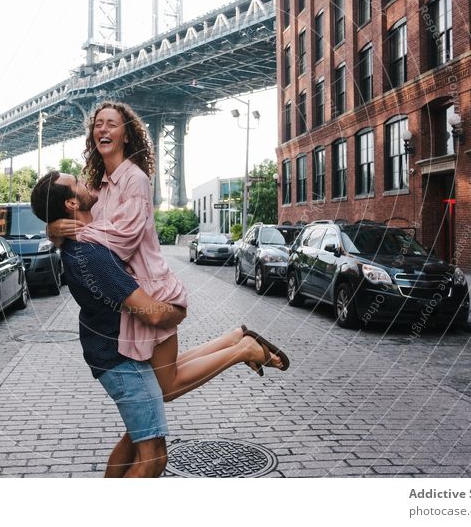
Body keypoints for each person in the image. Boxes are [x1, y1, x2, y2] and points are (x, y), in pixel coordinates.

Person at [31, 171, 290, 477]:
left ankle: (236, 342)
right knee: (152, 457)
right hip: (119, 359)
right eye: (77, 182)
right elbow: (151, 313)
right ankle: (242, 348)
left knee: (137, 434)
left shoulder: (90, 230)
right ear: (73, 202)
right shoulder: (90, 255)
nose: (85, 181)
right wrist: (177, 312)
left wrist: (53, 227)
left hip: (118, 347)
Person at [49, 102, 289, 400]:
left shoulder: (134, 179)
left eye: (112, 124)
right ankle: (235, 338)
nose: (103, 129)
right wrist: (55, 230)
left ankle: (244, 351)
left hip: (152, 289)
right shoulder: (100, 187)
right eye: (98, 124)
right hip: (133, 293)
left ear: (126, 136)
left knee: (167, 387)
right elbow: (76, 212)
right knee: (163, 378)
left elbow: (123, 239)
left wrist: (76, 233)